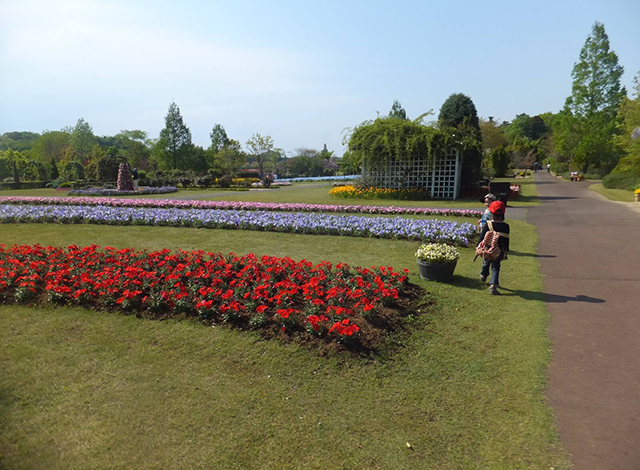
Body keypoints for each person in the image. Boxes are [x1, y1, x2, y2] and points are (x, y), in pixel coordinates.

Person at [477, 201, 510, 295]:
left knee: (486, 261)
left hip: (488, 248)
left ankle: (483, 274)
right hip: (498, 250)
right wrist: (506, 249)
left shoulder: (488, 224)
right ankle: (493, 285)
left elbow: (482, 236)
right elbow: (506, 240)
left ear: (491, 213)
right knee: (496, 267)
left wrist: (478, 246)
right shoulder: (506, 226)